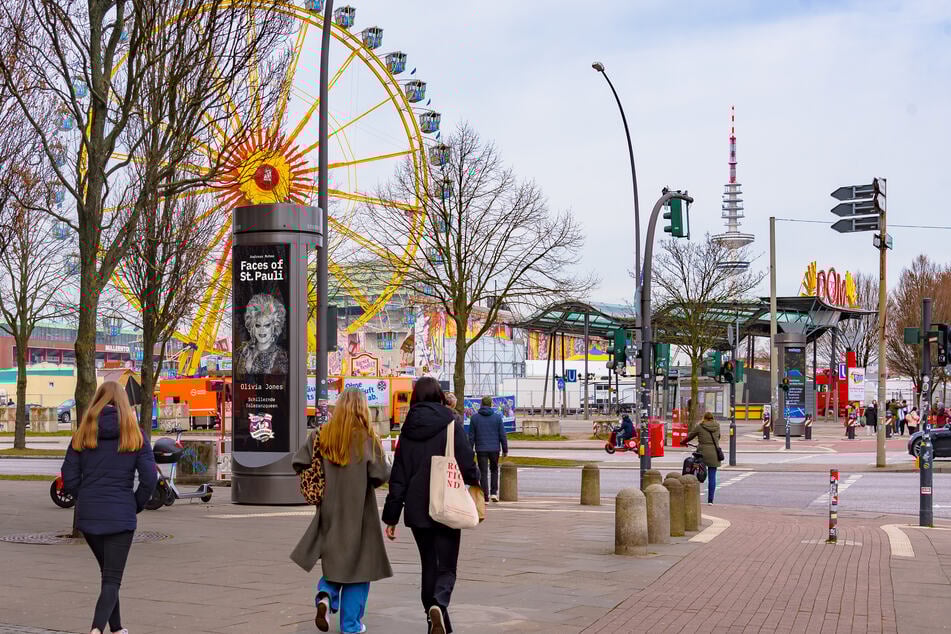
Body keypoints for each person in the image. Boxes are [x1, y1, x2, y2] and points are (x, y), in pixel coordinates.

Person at [383, 377, 480, 634]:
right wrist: (475, 481)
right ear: (439, 396)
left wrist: (391, 516)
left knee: (428, 564)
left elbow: (399, 475)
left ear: (414, 398)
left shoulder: (407, 429)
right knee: (446, 566)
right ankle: (438, 604)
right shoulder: (450, 423)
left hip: (416, 508)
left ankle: (434, 620)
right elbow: (466, 462)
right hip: (446, 502)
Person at [291, 389, 391, 634]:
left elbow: (299, 461)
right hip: (360, 513)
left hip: (329, 510)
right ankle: (351, 625)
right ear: (362, 408)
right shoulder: (367, 438)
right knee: (360, 569)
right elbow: (381, 475)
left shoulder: (321, 434)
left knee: (335, 560)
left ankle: (325, 594)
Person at [61, 381, 157, 634]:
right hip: (121, 516)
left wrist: (85, 498)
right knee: (112, 578)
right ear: (125, 403)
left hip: (90, 516)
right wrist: (134, 505)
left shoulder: (82, 433)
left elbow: (68, 476)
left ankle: (117, 628)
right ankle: (96, 629)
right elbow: (149, 479)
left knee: (108, 575)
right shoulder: (135, 435)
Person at [236, 293, 289, 375]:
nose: (262, 329)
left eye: (267, 325)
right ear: (252, 326)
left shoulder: (281, 358)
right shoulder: (242, 351)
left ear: (275, 326)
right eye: (257, 325)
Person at [468, 395, 508, 503]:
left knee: (483, 472)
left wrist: (469, 450)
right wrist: (505, 449)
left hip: (481, 449)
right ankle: (494, 493)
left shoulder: (475, 418)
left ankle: (485, 496)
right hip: (495, 449)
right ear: (491, 404)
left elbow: (471, 436)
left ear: (481, 404)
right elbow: (502, 435)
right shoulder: (497, 418)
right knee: (494, 470)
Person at [686, 412, 722, 504]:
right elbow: (718, 437)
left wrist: (682, 442)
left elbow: (690, 436)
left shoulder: (700, 426)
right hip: (714, 453)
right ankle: (710, 500)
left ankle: (693, 498)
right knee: (712, 477)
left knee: (696, 474)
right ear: (712, 418)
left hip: (701, 454)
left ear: (704, 418)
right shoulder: (717, 426)